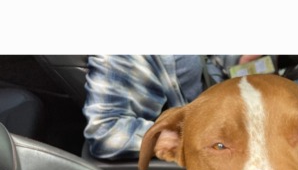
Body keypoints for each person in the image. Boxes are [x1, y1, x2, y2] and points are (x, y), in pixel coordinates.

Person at [83, 54, 268, 159]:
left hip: (222, 114)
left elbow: (206, 63)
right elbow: (106, 131)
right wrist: (187, 137)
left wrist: (240, 61)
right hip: (209, 144)